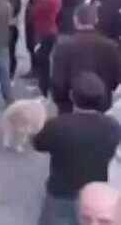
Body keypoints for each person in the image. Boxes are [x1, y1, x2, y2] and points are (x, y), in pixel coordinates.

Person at [34, 72, 121, 225]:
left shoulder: (58, 124)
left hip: (61, 191)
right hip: (95, 192)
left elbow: (38, 144)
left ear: (72, 96)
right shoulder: (112, 127)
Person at [52, 4, 121, 114]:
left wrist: (60, 101)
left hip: (70, 106)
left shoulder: (64, 46)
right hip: (102, 105)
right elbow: (117, 78)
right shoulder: (111, 46)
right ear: (96, 20)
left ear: (75, 20)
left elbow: (58, 81)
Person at [31, 0, 63, 98]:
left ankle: (44, 90)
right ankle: (43, 85)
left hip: (44, 31)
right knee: (46, 60)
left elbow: (34, 13)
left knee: (43, 61)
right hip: (52, 29)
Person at [1, 0, 25, 82]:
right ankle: (8, 74)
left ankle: (8, 74)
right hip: (12, 25)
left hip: (9, 25)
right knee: (10, 51)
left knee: (8, 51)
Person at [23, 0, 48, 80]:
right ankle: (36, 70)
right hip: (34, 26)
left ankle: (36, 70)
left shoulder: (37, 0)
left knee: (34, 48)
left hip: (34, 27)